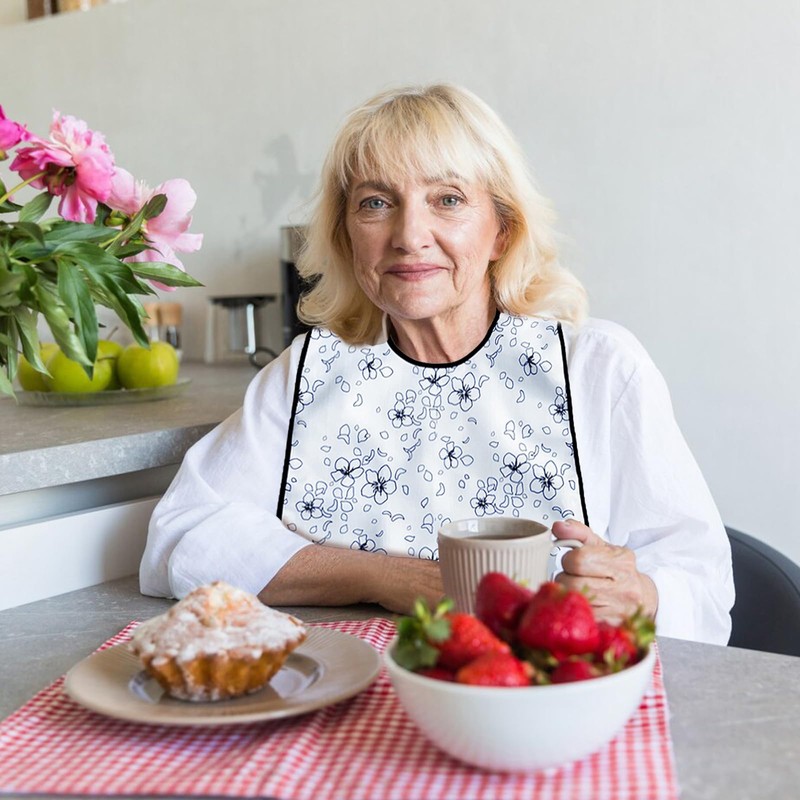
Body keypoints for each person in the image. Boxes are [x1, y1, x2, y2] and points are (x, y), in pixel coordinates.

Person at [140, 84, 734, 644]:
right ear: (347, 237)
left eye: (447, 200)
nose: (409, 235)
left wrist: (643, 595)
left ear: (502, 230)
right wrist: (390, 578)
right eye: (376, 203)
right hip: (344, 711)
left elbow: (701, 582)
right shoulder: (308, 373)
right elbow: (184, 538)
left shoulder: (598, 369)